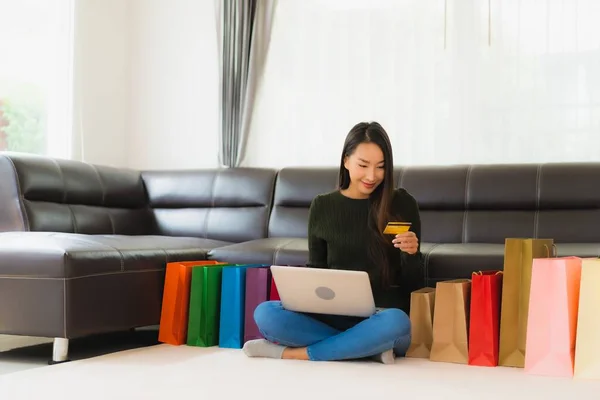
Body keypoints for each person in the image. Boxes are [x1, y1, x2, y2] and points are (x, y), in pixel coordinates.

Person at [243, 121, 424, 364]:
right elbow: (316, 270)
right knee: (265, 313)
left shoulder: (402, 203)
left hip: (382, 318)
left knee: (398, 322)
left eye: (381, 167)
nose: (372, 176)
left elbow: (414, 286)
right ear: (346, 160)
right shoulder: (323, 206)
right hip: (332, 316)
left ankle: (300, 353)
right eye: (363, 165)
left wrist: (412, 255)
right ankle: (367, 348)